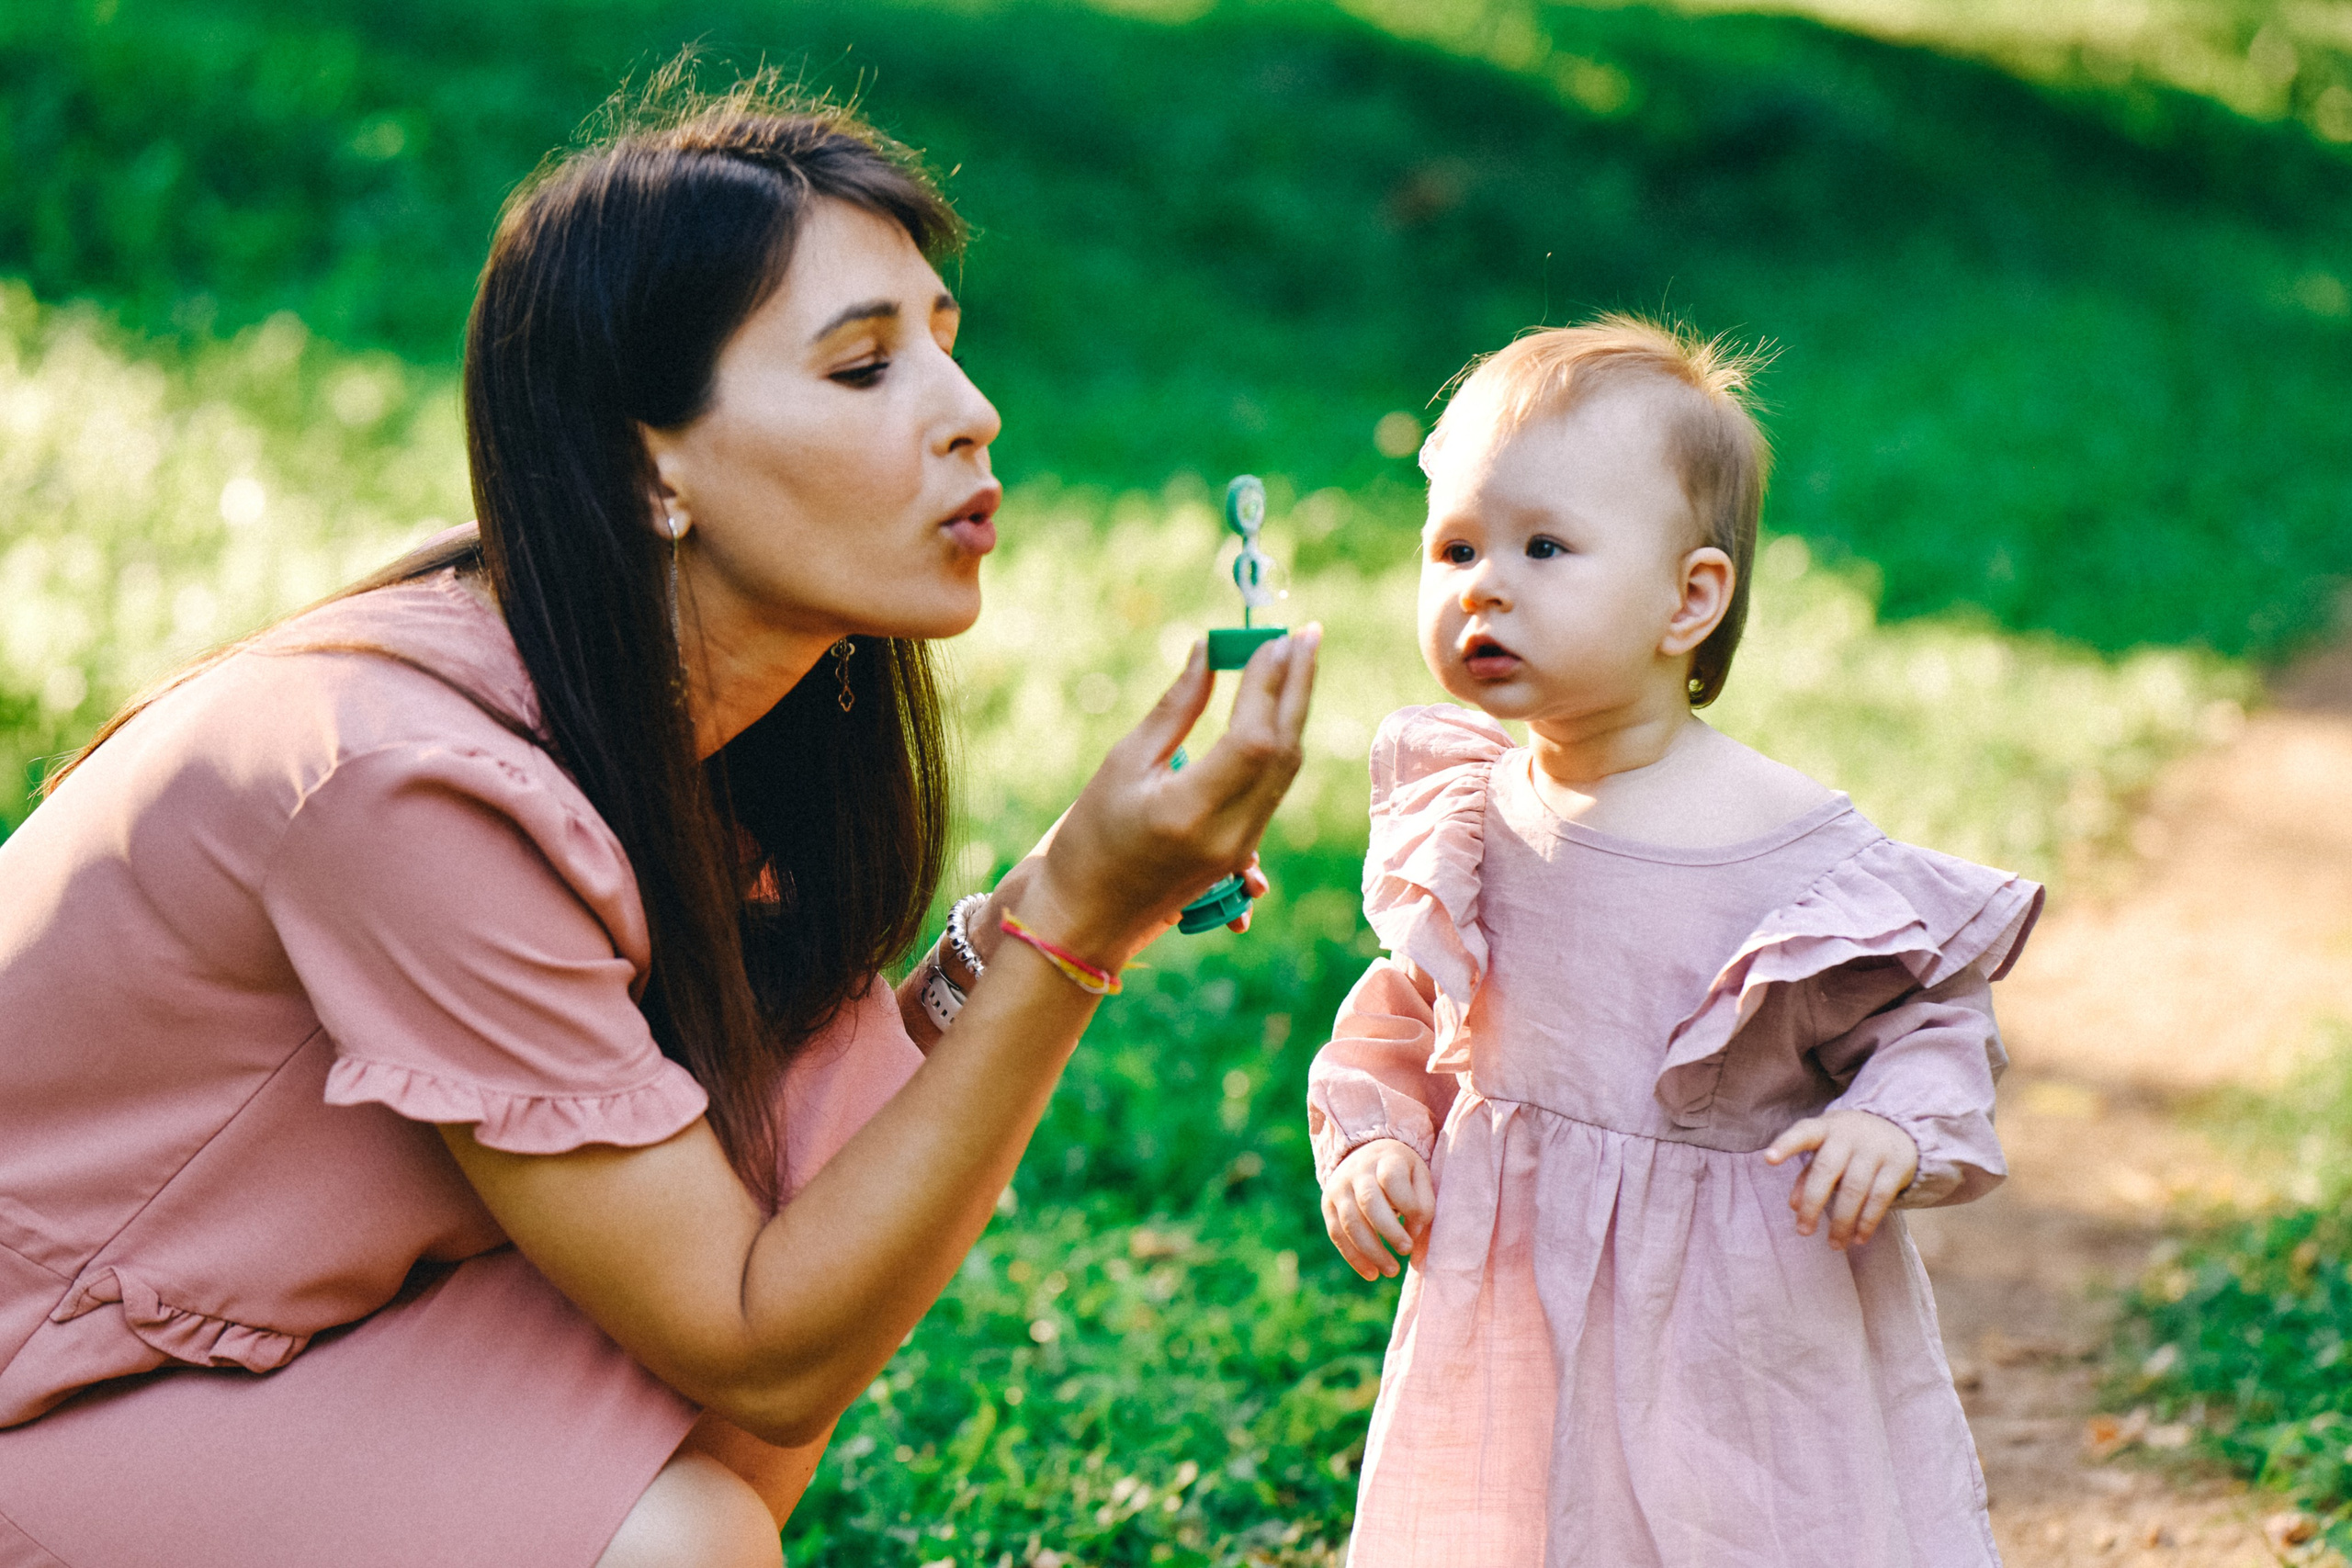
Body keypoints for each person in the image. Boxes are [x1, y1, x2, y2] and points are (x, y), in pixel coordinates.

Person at [0, 83, 1319, 1568]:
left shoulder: (687, 709)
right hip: (47, 1396)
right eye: (867, 367)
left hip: (257, 1334)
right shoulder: (410, 788)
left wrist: (1057, 911)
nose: (972, 414)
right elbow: (762, 1346)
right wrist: (1068, 927)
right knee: (679, 1536)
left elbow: (783, 1201)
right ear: (648, 470)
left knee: (740, 1339)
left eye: (946, 345)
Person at [1306, 315, 2038, 1567]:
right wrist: (1376, 1132)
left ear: (1689, 598)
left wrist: (1888, 1121)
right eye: (1456, 545)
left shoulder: (1791, 847)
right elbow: (1408, 1013)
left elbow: (1931, 1021)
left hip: (1739, 1335)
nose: (1484, 584)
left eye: (1544, 547)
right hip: (1516, 1316)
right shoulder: (1473, 819)